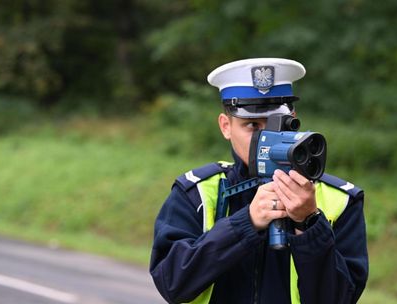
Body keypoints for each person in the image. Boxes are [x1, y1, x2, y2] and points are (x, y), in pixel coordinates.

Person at [150, 58, 368, 304]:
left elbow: (340, 299)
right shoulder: (196, 193)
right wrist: (246, 223)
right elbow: (172, 283)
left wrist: (308, 224)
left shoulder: (339, 200)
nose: (266, 138)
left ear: (294, 120)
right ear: (226, 126)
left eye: (278, 124)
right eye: (252, 125)